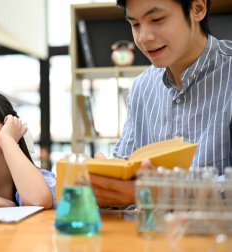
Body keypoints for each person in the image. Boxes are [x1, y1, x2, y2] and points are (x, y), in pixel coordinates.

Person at [90, 0, 232, 207]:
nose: (143, 38)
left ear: (198, 8)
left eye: (157, 19)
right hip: (150, 236)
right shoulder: (142, 87)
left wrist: (162, 191)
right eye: (135, 24)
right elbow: (126, 168)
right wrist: (110, 181)